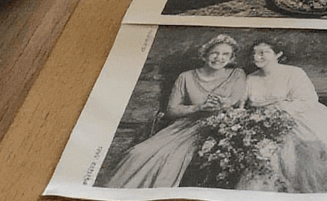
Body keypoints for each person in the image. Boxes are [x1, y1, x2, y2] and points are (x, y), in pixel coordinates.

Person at [103, 33, 248, 189]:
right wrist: (198, 107)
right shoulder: (185, 77)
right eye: (215, 53)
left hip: (218, 127)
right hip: (184, 126)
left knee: (173, 158)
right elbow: (171, 110)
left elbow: (236, 103)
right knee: (138, 152)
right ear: (205, 54)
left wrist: (224, 104)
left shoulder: (237, 75)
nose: (219, 58)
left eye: (226, 54)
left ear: (232, 58)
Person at [237, 40, 327, 193]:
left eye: (263, 53)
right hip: (261, 121)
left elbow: (308, 100)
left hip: (296, 118)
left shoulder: (294, 73)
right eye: (254, 53)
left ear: (278, 54)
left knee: (308, 148)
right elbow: (242, 104)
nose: (257, 57)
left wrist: (278, 107)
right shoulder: (251, 78)